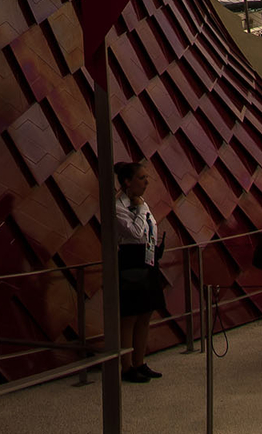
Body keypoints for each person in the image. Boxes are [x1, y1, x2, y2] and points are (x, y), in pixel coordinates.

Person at [113, 159, 166, 383]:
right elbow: (135, 232)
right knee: (130, 316)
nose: (146, 182)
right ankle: (126, 366)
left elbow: (151, 227)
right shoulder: (118, 206)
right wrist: (142, 208)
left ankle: (139, 361)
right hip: (131, 260)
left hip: (148, 258)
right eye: (142, 178)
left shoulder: (141, 203)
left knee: (146, 313)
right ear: (128, 182)